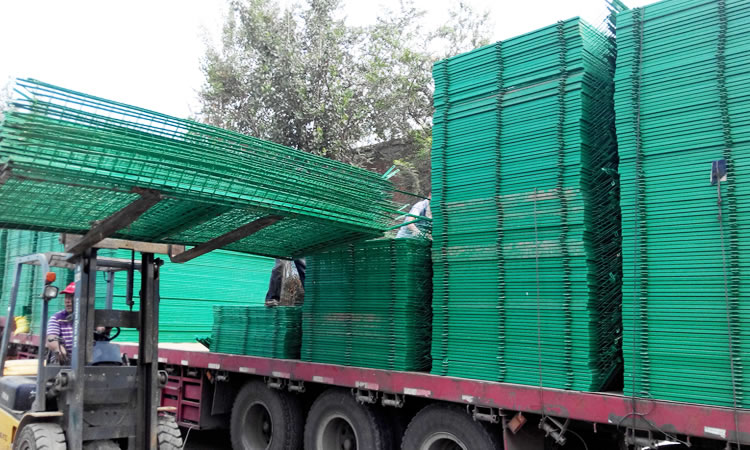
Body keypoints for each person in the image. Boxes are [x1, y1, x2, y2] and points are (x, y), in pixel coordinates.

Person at [46, 282, 76, 365]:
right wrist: (58, 348)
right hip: (63, 360)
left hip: (85, 362)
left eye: (71, 297)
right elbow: (51, 337)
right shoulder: (57, 318)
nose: (67, 301)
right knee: (58, 358)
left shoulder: (89, 318)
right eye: (66, 297)